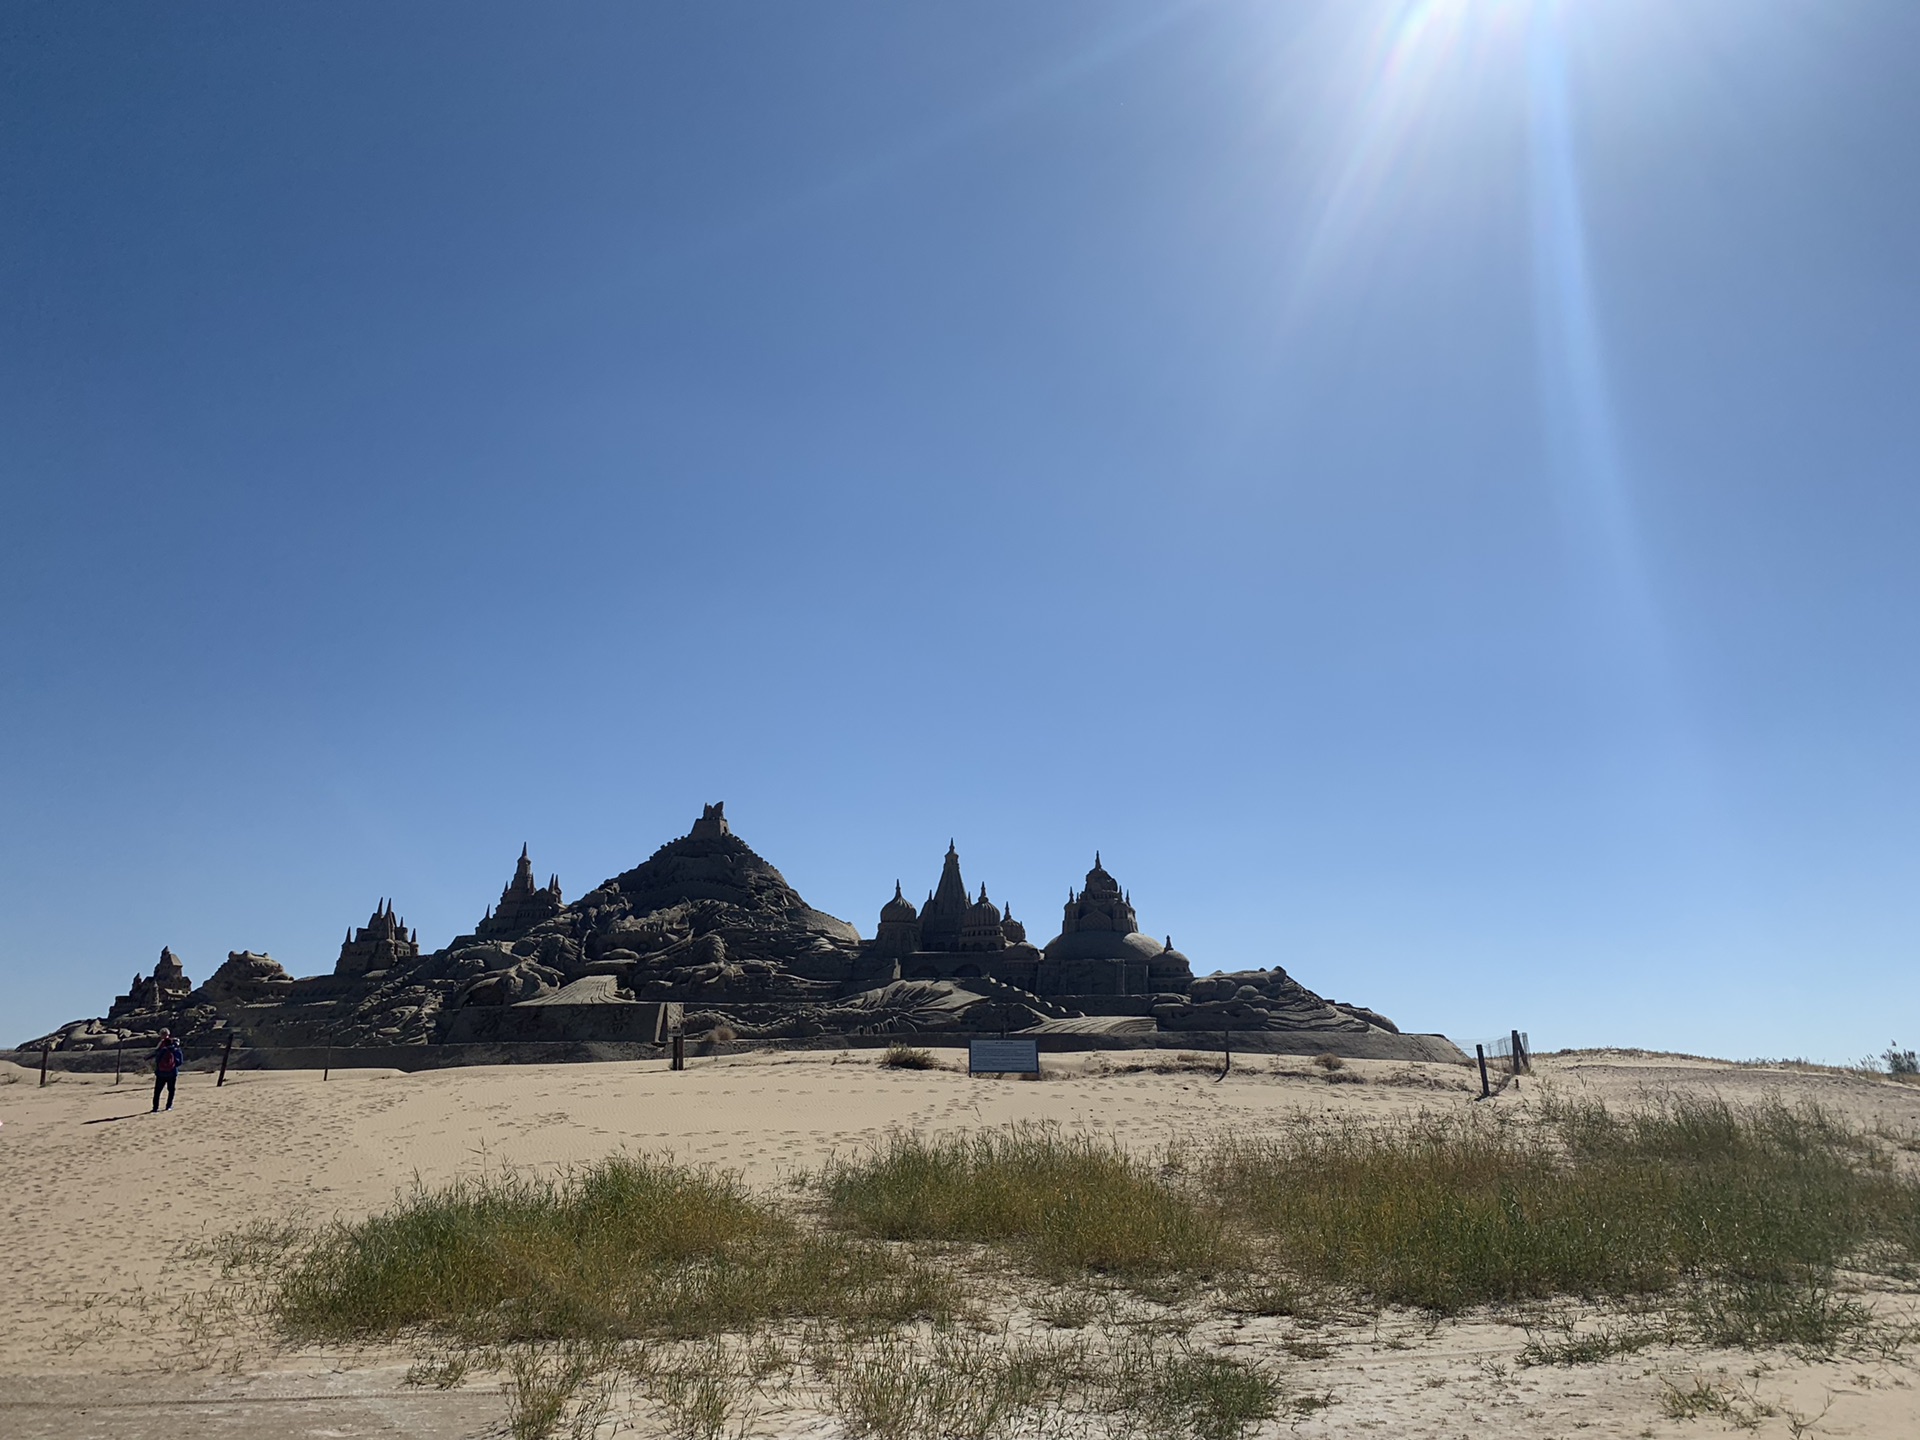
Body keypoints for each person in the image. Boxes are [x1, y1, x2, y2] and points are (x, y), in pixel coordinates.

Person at [150, 1029, 183, 1112]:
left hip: (161, 1072)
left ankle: (155, 1108)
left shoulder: (161, 1045)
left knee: (157, 1091)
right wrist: (175, 1065)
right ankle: (169, 1106)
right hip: (172, 1072)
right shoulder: (175, 1044)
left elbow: (157, 1057)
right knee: (171, 1090)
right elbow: (180, 1059)